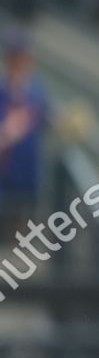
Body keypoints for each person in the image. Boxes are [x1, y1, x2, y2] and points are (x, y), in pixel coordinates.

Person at [0, 30, 49, 242]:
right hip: (4, 175)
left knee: (17, 236)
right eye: (17, 58)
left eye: (25, 58)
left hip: (25, 177)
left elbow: (46, 119)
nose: (21, 63)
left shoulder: (35, 92)